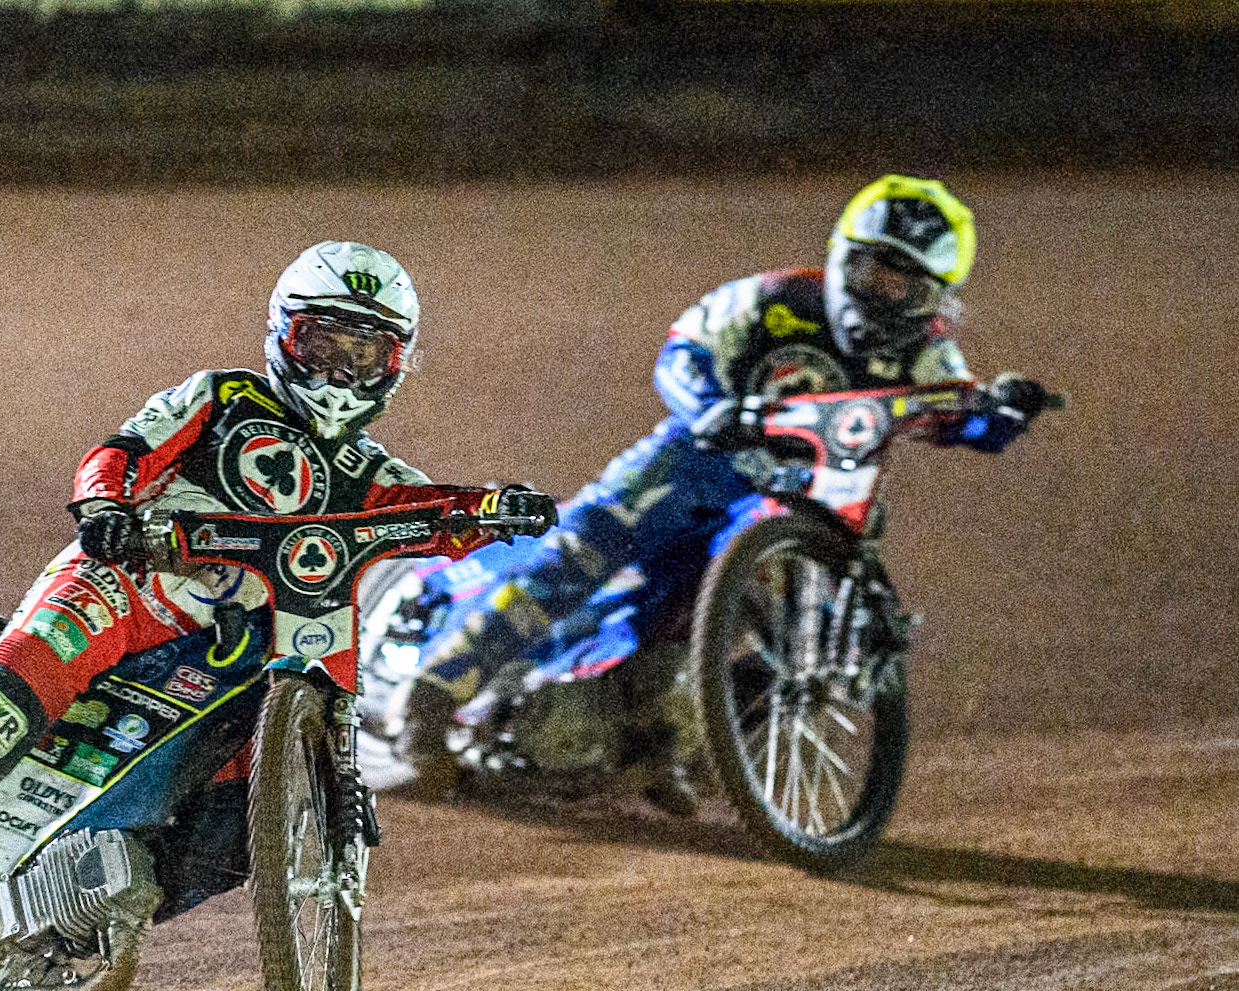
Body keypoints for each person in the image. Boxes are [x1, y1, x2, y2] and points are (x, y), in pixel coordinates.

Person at [0, 240, 558, 991]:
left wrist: (501, 509)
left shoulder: (373, 475)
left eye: (365, 354)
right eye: (322, 345)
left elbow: (443, 514)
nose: (340, 372)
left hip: (217, 658)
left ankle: (50, 929)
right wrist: (104, 504)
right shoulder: (218, 400)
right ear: (283, 335)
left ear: (394, 365)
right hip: (116, 593)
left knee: (231, 833)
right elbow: (122, 451)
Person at [398, 174, 1053, 799]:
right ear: (839, 258)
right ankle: (431, 697)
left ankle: (676, 743)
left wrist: (1001, 410)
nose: (879, 294)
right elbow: (683, 349)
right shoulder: (774, 299)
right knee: (582, 554)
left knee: (808, 637)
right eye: (868, 270)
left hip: (802, 507)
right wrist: (709, 405)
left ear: (933, 298)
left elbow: (959, 411)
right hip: (692, 464)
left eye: (902, 285)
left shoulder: (926, 352)